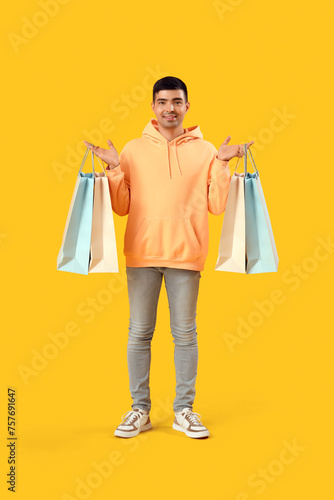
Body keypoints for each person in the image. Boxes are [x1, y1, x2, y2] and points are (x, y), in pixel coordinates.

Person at [84, 76, 254, 439]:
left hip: (186, 253)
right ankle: (139, 410)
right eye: (162, 102)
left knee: (185, 335)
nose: (169, 109)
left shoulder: (206, 150)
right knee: (139, 333)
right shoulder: (132, 149)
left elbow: (216, 205)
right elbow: (121, 207)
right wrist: (114, 168)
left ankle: (184, 410)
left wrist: (222, 165)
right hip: (142, 254)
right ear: (153, 107)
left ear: (187, 107)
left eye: (177, 102)